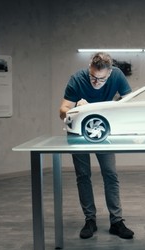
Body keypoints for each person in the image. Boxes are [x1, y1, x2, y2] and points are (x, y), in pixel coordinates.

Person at [59, 52, 134, 239]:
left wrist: (116, 106)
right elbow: (62, 111)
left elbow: (131, 105)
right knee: (83, 176)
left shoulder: (117, 75)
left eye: (101, 79)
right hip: (78, 132)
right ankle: (89, 220)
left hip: (103, 132)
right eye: (92, 77)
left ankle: (116, 221)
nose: (95, 82)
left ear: (109, 73)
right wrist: (76, 107)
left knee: (110, 174)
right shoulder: (77, 79)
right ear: (89, 68)